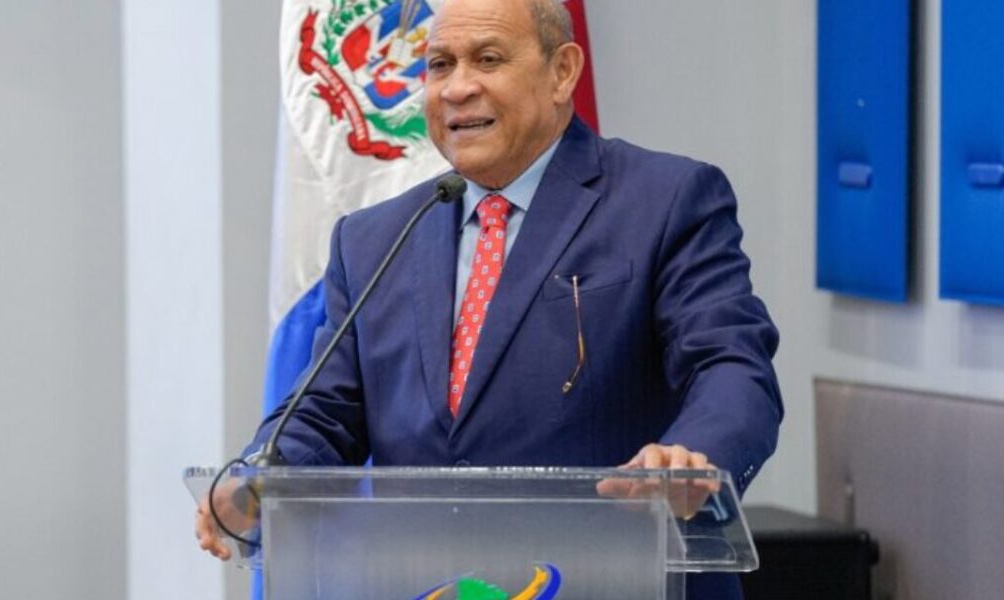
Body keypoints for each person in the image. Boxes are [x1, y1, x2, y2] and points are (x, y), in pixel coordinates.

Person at [198, 0, 782, 597]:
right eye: (439, 65)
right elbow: (325, 412)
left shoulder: (665, 200)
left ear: (562, 72)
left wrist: (693, 457)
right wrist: (260, 476)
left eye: (488, 59)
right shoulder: (373, 238)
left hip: (617, 579)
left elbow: (731, 366)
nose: (457, 88)